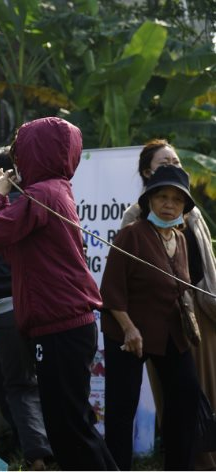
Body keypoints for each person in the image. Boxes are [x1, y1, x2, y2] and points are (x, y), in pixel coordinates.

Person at [0, 117, 117, 470]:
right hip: (65, 324)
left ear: (37, 152)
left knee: (70, 431)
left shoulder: (41, 195)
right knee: (73, 426)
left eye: (22, 150)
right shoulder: (55, 190)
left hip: (60, 326)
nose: (18, 160)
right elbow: (16, 246)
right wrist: (1, 199)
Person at [120, 139, 216, 470]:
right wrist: (129, 325)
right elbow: (119, 282)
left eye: (176, 161)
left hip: (198, 314)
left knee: (198, 392)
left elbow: (204, 267)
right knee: (159, 399)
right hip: (151, 324)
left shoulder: (192, 213)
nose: (173, 166)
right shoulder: (134, 220)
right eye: (164, 163)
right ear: (148, 172)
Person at [101, 165, 201, 470]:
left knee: (186, 398)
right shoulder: (131, 235)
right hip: (127, 332)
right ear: (149, 202)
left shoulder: (181, 239)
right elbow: (111, 289)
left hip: (170, 332)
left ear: (185, 207)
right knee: (122, 409)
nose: (169, 205)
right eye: (162, 197)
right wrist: (129, 329)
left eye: (176, 199)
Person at [0, 146, 53, 471]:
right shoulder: (44, 206)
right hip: (45, 307)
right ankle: (66, 448)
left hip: (4, 312)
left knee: (19, 385)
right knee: (52, 380)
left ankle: (37, 457)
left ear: (0, 178)